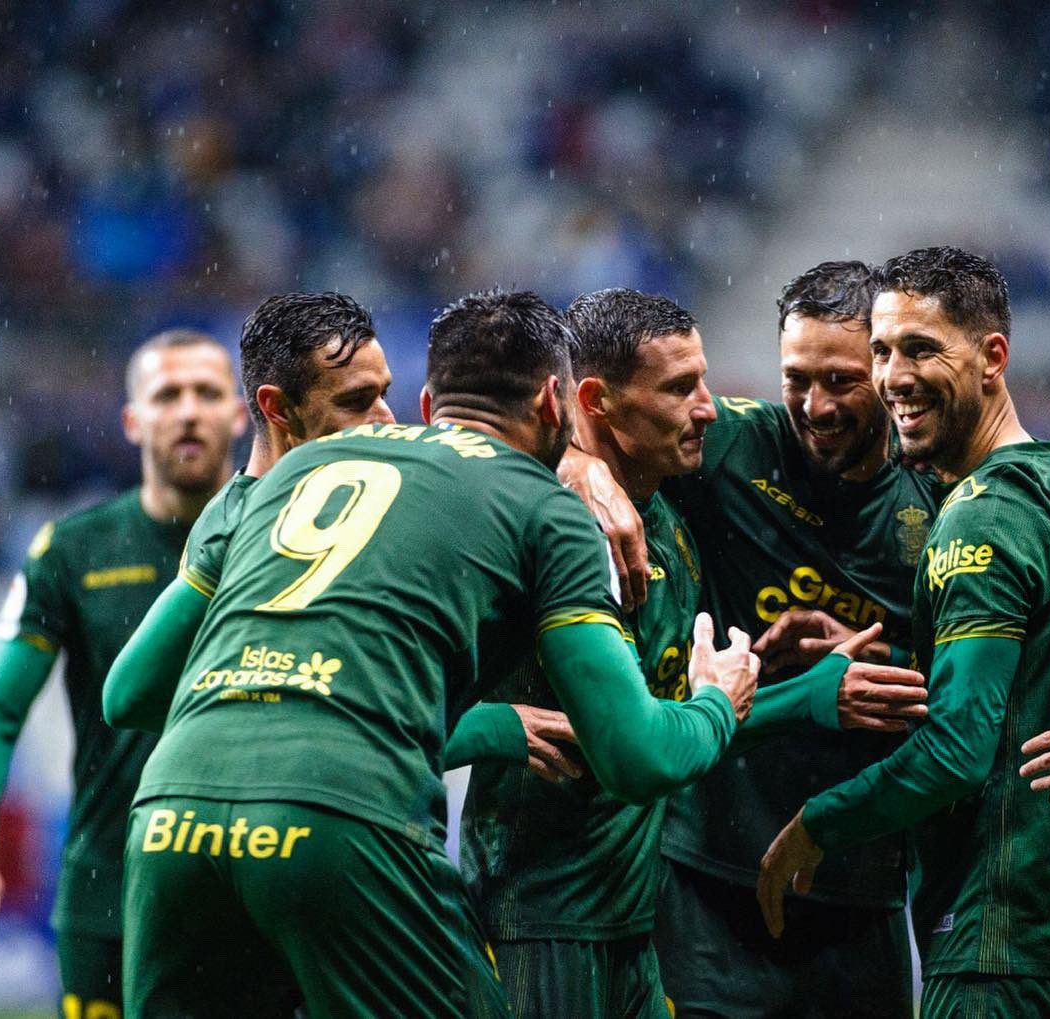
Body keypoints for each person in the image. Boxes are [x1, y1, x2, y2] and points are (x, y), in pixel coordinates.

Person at [119, 289, 761, 1018]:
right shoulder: (546, 507)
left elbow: (131, 695)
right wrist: (716, 696)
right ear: (560, 403)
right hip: (344, 815)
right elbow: (636, 755)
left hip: (169, 816)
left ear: (427, 400)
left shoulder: (283, 478)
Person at [462, 287, 928, 1018]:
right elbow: (642, 744)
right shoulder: (549, 524)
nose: (708, 407)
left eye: (841, 379)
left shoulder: (675, 516)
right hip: (559, 913)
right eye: (796, 378)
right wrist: (579, 461)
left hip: (671, 913)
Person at [757, 247, 1050, 1018]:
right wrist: (898, 657)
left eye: (922, 349)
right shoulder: (1046, 487)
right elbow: (1019, 681)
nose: (894, 376)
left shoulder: (981, 519)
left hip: (998, 943)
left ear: (993, 357)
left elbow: (960, 748)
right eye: (884, 351)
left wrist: (819, 823)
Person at [0, 329, 245, 1017]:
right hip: (109, 891)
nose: (188, 410)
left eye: (207, 393)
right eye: (167, 394)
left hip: (250, 889)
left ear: (242, 412)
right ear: (133, 419)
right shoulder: (73, 550)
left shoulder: (285, 540)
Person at [104, 291, 395, 732]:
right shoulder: (240, 529)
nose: (387, 419)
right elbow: (127, 698)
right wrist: (486, 730)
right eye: (356, 402)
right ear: (277, 409)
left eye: (383, 394)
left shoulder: (339, 502)